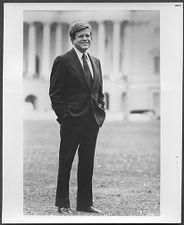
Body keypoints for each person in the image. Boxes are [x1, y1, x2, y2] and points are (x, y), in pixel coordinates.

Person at [49, 21, 106, 214]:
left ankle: (84, 203)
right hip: (71, 121)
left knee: (87, 162)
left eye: (88, 36)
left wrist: (100, 109)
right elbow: (55, 93)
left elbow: (99, 91)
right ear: (73, 39)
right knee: (66, 162)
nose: (85, 39)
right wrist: (64, 116)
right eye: (81, 36)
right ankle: (63, 204)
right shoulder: (63, 60)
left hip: (92, 121)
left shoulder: (96, 61)